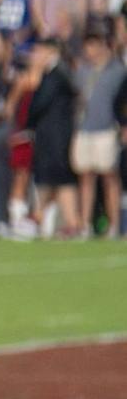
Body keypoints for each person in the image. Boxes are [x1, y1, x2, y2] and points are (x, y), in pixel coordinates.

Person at [71, 24, 126, 238]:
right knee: (86, 176)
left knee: (109, 177)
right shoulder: (82, 71)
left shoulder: (118, 71)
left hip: (106, 129)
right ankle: (84, 224)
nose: (90, 50)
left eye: (94, 45)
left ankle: (114, 225)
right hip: (84, 128)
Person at [25, 39, 81, 238]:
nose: (34, 56)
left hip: (56, 137)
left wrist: (28, 122)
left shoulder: (56, 74)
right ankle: (42, 216)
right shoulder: (58, 73)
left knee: (59, 177)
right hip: (53, 136)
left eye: (38, 51)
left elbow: (39, 104)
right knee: (55, 178)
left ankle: (66, 222)